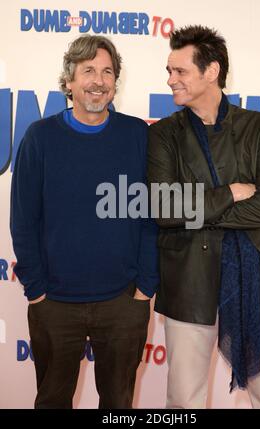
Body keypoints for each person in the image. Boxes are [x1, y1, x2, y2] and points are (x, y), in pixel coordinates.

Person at [148, 25, 260, 409]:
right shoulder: (164, 135)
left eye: (179, 71)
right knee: (184, 400)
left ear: (211, 71)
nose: (170, 80)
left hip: (256, 276)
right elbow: (164, 209)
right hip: (189, 283)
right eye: (169, 71)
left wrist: (197, 209)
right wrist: (230, 193)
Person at [10, 34, 159, 409]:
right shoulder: (39, 138)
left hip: (123, 302)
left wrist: (145, 287)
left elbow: (151, 214)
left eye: (107, 71)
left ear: (115, 82)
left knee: (118, 404)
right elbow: (23, 221)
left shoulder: (137, 135)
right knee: (52, 401)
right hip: (55, 303)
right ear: (69, 81)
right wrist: (37, 291)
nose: (99, 80)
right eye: (88, 70)